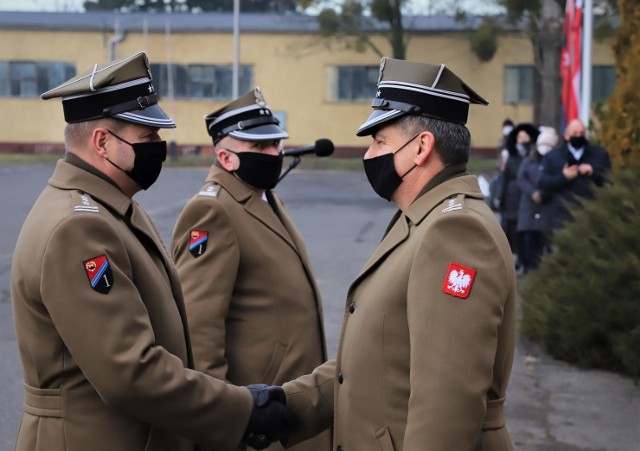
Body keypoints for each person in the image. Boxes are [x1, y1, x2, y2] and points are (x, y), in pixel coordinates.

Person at [10, 52, 291, 451]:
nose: (160, 147)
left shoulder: (113, 205)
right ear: (102, 142)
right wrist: (241, 409)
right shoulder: (79, 226)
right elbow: (129, 371)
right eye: (148, 138)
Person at [280, 57, 518, 450]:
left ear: (422, 146)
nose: (370, 155)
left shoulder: (454, 231)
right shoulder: (422, 218)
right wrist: (282, 407)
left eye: (380, 141)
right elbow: (381, 358)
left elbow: (446, 408)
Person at [170, 87, 331, 451]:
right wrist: (222, 420)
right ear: (226, 158)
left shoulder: (262, 196)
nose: (273, 154)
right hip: (256, 419)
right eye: (259, 148)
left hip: (290, 409)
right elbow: (199, 329)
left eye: (275, 145)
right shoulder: (213, 211)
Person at [538, 118, 612, 229]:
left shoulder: (599, 155)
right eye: (575, 133)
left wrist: (593, 173)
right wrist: (563, 177)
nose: (578, 136)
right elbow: (542, 182)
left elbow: (609, 179)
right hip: (561, 216)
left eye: (581, 133)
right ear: (567, 135)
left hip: (590, 214)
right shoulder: (553, 157)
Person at [516, 126, 559, 273]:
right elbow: (521, 179)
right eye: (543, 145)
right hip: (529, 207)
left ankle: (542, 270)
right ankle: (530, 267)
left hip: (547, 207)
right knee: (529, 240)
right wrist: (533, 192)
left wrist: (544, 193)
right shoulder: (529, 160)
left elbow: (558, 181)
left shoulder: (556, 162)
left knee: (544, 241)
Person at [498, 122, 540, 269]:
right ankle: (518, 260)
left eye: (525, 137)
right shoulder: (512, 157)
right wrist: (500, 198)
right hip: (512, 200)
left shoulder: (533, 157)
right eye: (519, 137)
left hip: (527, 200)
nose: (521, 140)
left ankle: (527, 261)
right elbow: (505, 179)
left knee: (525, 232)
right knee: (512, 232)